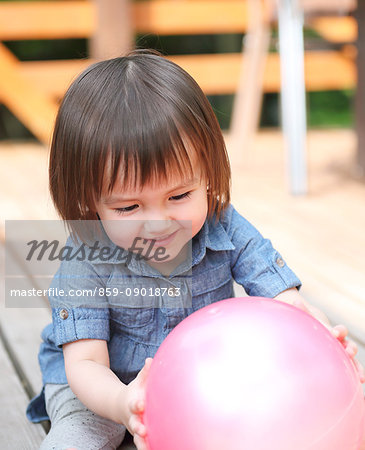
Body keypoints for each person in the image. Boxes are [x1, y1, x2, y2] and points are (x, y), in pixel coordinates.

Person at [26, 49, 364, 450]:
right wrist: (124, 403)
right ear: (89, 202)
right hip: (102, 387)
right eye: (129, 207)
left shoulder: (224, 224)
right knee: (85, 436)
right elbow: (85, 365)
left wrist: (321, 336)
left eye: (180, 195)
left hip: (204, 376)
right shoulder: (87, 258)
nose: (159, 222)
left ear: (207, 175)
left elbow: (283, 296)